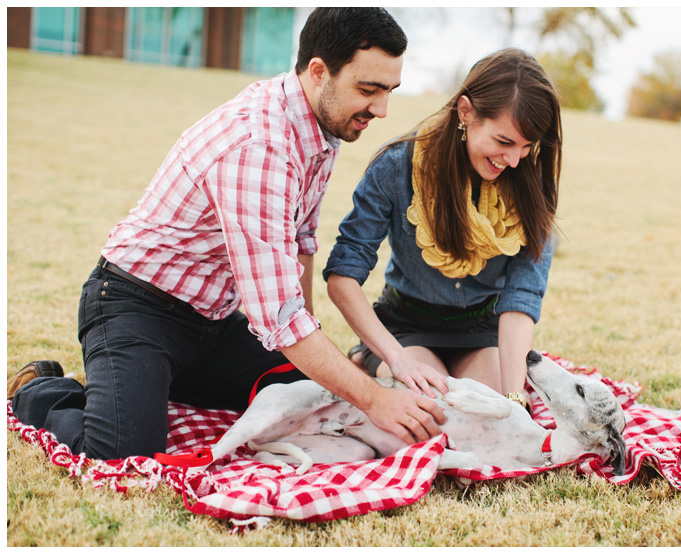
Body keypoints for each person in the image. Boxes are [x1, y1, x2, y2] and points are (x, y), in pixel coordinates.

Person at [7, 7, 445, 461]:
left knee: (312, 393)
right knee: (123, 454)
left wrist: (311, 352)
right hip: (136, 306)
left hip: (214, 323)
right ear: (318, 71)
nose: (381, 110)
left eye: (389, 91)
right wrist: (375, 397)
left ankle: (150, 385)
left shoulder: (323, 125)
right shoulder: (259, 145)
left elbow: (301, 242)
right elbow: (279, 317)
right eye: (369, 90)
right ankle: (40, 390)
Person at [324, 48, 562, 409]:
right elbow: (342, 276)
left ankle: (384, 367)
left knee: (490, 417)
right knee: (435, 409)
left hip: (483, 329)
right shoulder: (395, 167)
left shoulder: (533, 185)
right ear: (465, 112)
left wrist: (514, 399)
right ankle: (369, 358)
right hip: (405, 325)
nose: (514, 160)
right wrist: (396, 357)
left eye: (527, 147)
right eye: (503, 142)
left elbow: (520, 299)